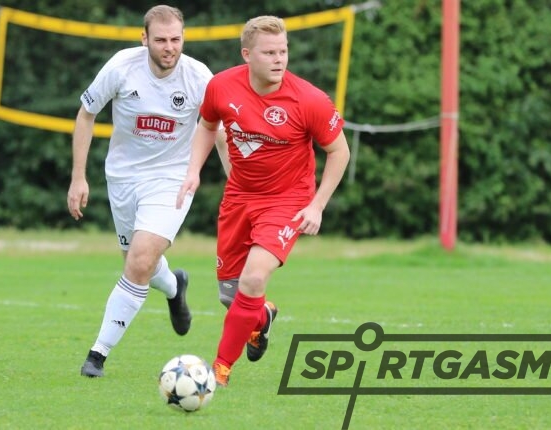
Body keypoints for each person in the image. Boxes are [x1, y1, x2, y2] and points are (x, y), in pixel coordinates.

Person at [176, 15, 350, 387]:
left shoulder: (309, 99)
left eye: (283, 51)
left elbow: (340, 152)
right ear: (247, 55)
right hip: (239, 197)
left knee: (254, 278)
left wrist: (317, 205)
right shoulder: (222, 86)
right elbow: (207, 126)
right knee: (232, 294)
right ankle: (262, 317)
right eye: (269, 52)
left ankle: (219, 370)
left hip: (288, 201)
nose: (278, 59)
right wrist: (193, 171)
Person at [67, 5, 217, 378]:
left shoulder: (199, 77)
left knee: (139, 261)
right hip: (122, 178)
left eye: (176, 39)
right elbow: (86, 114)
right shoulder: (122, 67)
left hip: (172, 179)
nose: (170, 47)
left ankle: (97, 355)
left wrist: (235, 183)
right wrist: (78, 177)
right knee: (138, 265)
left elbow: (219, 130)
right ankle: (175, 286)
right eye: (161, 40)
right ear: (144, 39)